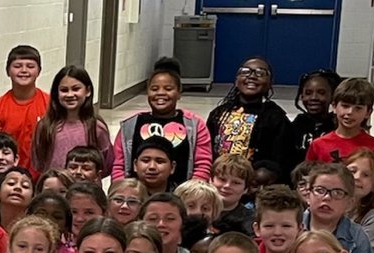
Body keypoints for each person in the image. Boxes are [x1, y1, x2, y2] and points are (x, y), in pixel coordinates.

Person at [112, 57, 212, 186]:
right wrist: (123, 191)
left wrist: (191, 194)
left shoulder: (195, 125)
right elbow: (119, 165)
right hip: (137, 197)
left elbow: (203, 164)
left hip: (181, 197)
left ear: (179, 93)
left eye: (168, 89)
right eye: (154, 89)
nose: (160, 93)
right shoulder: (131, 125)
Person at [207, 57, 292, 167]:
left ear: (270, 83)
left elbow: (281, 159)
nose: (251, 76)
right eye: (245, 72)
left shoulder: (276, 118)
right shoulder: (219, 113)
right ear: (236, 80)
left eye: (260, 73)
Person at [302, 162, 374, 253]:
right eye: (320, 190)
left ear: (349, 203)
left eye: (337, 193)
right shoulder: (292, 226)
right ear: (308, 195)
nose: (326, 197)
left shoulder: (356, 237)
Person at [30, 66, 112, 176]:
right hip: (55, 190)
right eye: (64, 90)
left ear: (87, 91)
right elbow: (38, 163)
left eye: (76, 89)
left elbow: (107, 164)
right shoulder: (45, 126)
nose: (69, 94)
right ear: (56, 93)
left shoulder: (96, 127)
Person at [0, 44, 50, 174]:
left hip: (44, 176)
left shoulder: (50, 105)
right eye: (17, 66)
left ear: (39, 71)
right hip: (8, 177)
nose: (24, 70)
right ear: (8, 71)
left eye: (30, 66)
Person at [307, 77, 374, 165]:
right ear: (334, 106)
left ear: (368, 112)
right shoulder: (318, 145)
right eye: (345, 106)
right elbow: (308, 176)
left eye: (358, 108)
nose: (350, 112)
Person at [287, 69, 340, 168]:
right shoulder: (295, 126)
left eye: (321, 93)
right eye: (308, 93)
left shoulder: (337, 126)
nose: (314, 97)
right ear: (302, 96)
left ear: (332, 96)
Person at [345, 149, 374, 253]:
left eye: (366, 175)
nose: (357, 177)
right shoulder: (324, 204)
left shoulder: (372, 219)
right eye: (352, 171)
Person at [211, 153, 257, 237]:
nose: (227, 186)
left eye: (236, 182)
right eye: (222, 179)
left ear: (246, 189)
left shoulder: (251, 221)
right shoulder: (197, 211)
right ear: (211, 180)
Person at [0, 166, 36, 231]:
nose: (18, 187)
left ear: (32, 199)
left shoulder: (35, 230)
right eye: (11, 183)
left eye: (25, 186)